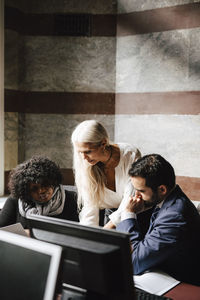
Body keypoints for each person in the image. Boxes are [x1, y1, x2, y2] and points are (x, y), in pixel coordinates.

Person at [116, 154, 200, 286]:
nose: (136, 196)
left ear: (162, 189)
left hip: (181, 285)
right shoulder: (168, 200)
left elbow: (133, 263)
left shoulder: (175, 216)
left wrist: (128, 213)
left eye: (141, 191)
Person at [71, 119, 141, 228]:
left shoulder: (130, 154)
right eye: (80, 152)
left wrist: (106, 229)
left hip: (135, 214)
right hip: (110, 216)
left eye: (88, 151)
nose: (84, 157)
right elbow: (90, 207)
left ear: (103, 143)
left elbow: (130, 200)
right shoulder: (83, 160)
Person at [0, 156, 79, 228]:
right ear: (26, 191)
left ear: (54, 182)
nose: (41, 191)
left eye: (45, 185)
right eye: (34, 189)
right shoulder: (15, 200)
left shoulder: (73, 199)